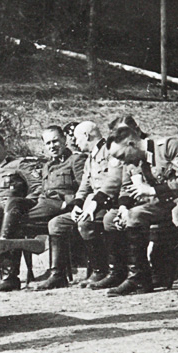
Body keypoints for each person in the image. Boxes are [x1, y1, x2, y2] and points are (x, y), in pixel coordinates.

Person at [104, 124, 178, 298]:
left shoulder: (171, 146)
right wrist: (124, 207)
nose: (122, 162)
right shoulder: (137, 162)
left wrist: (152, 190)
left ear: (131, 143)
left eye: (121, 156)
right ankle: (139, 278)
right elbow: (129, 187)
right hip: (171, 201)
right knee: (134, 215)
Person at [0, 126, 86, 291]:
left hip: (62, 206)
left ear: (64, 140)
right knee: (13, 204)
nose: (52, 146)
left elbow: (85, 188)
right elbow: (41, 191)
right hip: (43, 204)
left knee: (14, 222)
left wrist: (68, 202)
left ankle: (10, 270)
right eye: (48, 143)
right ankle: (8, 271)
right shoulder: (47, 165)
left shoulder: (76, 160)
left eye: (55, 141)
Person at [44, 121, 123, 290]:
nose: (74, 142)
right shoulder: (90, 158)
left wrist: (93, 204)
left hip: (110, 203)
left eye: (76, 138)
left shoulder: (110, 151)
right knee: (56, 224)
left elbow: (113, 182)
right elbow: (85, 185)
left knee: (86, 222)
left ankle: (100, 270)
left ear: (87, 136)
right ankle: (57, 275)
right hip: (93, 204)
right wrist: (78, 204)